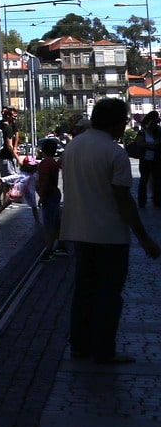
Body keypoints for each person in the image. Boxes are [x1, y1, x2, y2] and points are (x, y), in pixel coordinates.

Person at [62, 98, 160, 363]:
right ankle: (104, 349)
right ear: (116, 122)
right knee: (108, 295)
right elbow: (124, 201)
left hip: (77, 231)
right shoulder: (114, 152)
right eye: (124, 120)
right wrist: (145, 239)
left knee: (83, 292)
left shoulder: (72, 147)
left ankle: (79, 346)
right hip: (108, 235)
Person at [36, 137, 66, 262]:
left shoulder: (45, 163)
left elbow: (44, 181)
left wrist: (41, 197)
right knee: (56, 221)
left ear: (43, 149)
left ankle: (49, 250)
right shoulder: (54, 162)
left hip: (49, 195)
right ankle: (61, 245)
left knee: (49, 225)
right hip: (55, 193)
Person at [134, 110, 160, 208]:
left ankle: (157, 201)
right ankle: (142, 202)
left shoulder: (158, 132)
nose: (155, 125)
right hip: (145, 160)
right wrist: (153, 144)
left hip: (156, 160)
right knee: (144, 181)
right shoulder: (142, 133)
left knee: (157, 181)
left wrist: (149, 145)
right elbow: (140, 143)